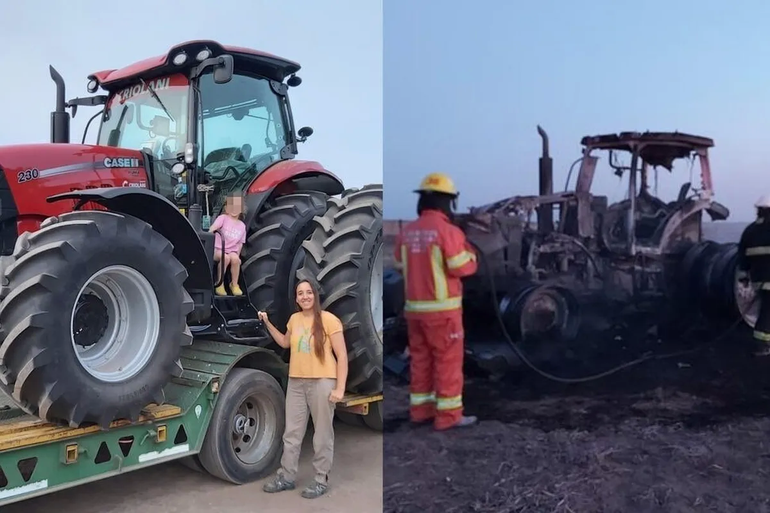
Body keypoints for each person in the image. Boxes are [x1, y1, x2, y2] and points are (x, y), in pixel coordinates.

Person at [393, 172, 479, 430]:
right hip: (443, 314)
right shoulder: (448, 231)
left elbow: (399, 264)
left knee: (421, 361)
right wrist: (472, 255)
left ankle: (421, 411)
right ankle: (449, 417)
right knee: (447, 363)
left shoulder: (407, 232)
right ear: (447, 202)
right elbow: (461, 267)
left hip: (415, 313)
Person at [259, 279, 349, 499]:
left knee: (322, 434)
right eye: (301, 293)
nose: (305, 296)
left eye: (309, 292)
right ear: (296, 298)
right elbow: (284, 343)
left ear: (315, 296)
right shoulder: (294, 319)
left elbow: (342, 356)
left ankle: (320, 479)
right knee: (292, 433)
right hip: (297, 382)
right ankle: (287, 476)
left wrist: (340, 388)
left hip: (322, 381)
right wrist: (267, 322)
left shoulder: (329, 320)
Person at [738, 194, 770, 356]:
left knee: (765, 311)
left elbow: (741, 257)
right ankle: (762, 345)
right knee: (767, 314)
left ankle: (763, 342)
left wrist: (744, 278)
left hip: (757, 279)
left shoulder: (750, 230)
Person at [208, 192, 247, 296]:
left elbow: (240, 243)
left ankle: (234, 284)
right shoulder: (223, 218)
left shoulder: (242, 226)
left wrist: (237, 256)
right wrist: (209, 232)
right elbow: (213, 229)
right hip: (218, 249)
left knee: (235, 259)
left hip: (232, 251)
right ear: (227, 207)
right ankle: (219, 283)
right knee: (226, 258)